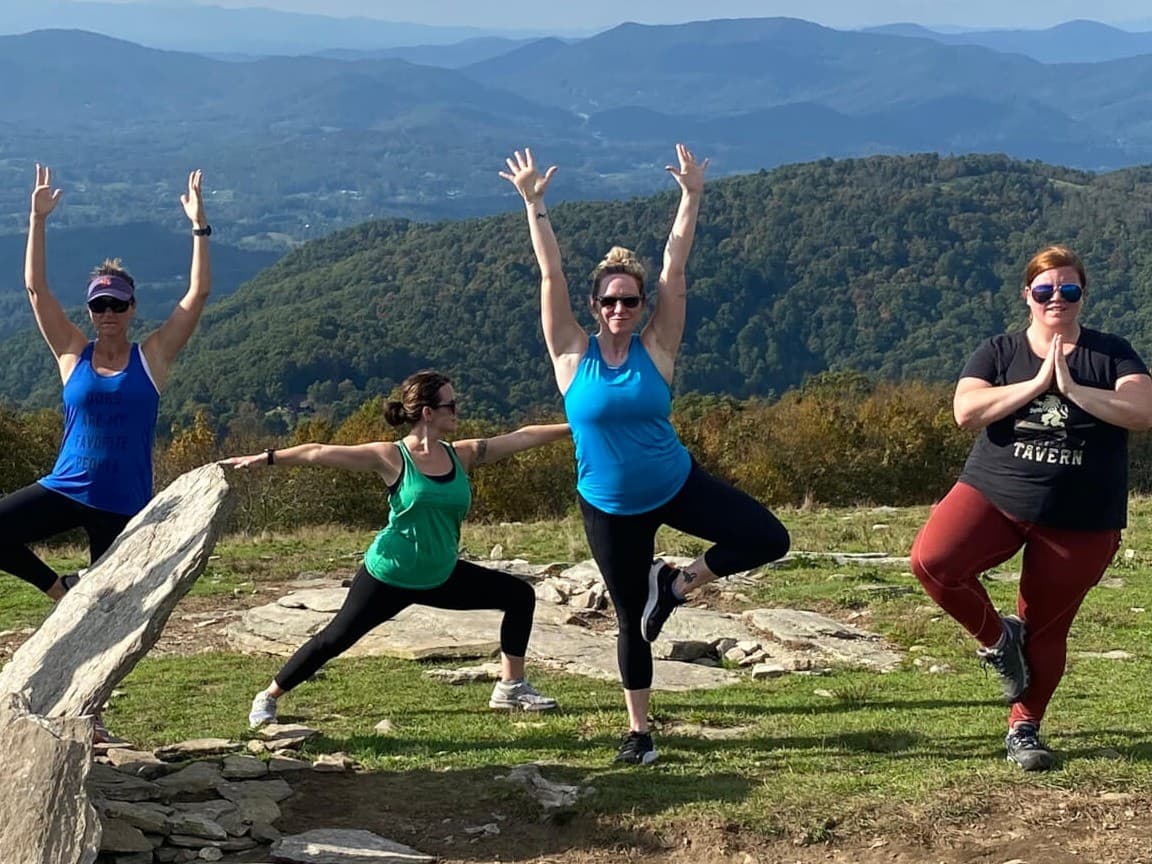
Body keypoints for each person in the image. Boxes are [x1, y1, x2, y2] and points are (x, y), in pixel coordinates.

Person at [500, 145, 791, 766]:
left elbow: (674, 269)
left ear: (641, 306)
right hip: (608, 507)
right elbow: (550, 275)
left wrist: (692, 196)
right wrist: (534, 204)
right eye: (609, 301)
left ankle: (677, 583)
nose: (619, 310)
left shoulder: (656, 347)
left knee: (769, 538)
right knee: (631, 620)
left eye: (629, 301)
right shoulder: (570, 354)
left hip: (676, 484)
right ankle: (639, 732)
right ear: (594, 306)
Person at [910, 245, 1152, 771]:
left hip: (1082, 516)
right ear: (1027, 295)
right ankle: (1000, 639)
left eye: (1068, 289)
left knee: (1045, 626)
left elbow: (1142, 410)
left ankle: (1024, 726)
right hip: (994, 494)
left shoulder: (1112, 353)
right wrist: (1039, 384)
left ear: (1083, 295)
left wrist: (1073, 389)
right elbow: (966, 411)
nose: (1056, 298)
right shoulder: (999, 351)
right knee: (933, 562)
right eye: (1045, 290)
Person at [224, 370, 569, 728]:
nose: (457, 410)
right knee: (334, 639)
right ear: (428, 413)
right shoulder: (391, 456)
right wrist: (267, 458)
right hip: (389, 575)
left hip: (440, 574)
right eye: (451, 404)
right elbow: (317, 452)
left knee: (519, 596)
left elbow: (521, 437)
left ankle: (511, 687)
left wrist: (577, 425)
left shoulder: (462, 455)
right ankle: (268, 696)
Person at [0, 164, 212, 601]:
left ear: (132, 308)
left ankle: (81, 596)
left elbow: (197, 295)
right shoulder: (72, 353)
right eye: (100, 306)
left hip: (123, 504)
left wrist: (199, 228)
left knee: (111, 607)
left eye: (117, 304)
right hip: (66, 488)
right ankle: (59, 589)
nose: (108, 313)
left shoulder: (151, 357)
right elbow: (36, 290)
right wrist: (37, 219)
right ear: (90, 311)